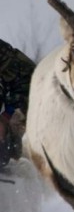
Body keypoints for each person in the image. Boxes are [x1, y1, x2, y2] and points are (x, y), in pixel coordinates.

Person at [0, 39, 35, 168]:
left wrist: (7, 114)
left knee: (12, 156)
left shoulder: (7, 58)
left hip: (27, 93)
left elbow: (25, 82)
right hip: (13, 90)